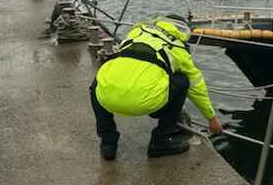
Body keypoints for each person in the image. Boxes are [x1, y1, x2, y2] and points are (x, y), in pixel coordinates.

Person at [90, 14, 222, 160]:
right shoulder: (178, 48)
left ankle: (108, 142)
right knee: (182, 81)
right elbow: (197, 88)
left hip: (107, 99)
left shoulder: (135, 34)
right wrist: (211, 118)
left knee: (96, 85)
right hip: (145, 103)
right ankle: (161, 140)